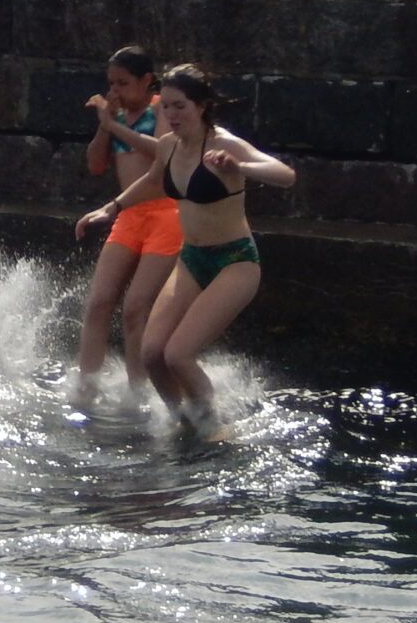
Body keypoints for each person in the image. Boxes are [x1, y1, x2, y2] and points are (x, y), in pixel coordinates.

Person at [76, 65, 295, 442]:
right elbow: (154, 180)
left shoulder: (223, 144)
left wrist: (239, 166)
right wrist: (113, 206)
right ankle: (183, 421)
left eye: (180, 107)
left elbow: (284, 174)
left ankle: (212, 424)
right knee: (151, 354)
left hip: (235, 262)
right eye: (167, 109)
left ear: (202, 106)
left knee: (178, 354)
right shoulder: (169, 146)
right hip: (192, 260)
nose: (172, 116)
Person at [70, 47, 180, 413]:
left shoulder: (162, 108)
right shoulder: (116, 116)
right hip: (129, 215)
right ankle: (86, 385)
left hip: (166, 214)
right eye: (111, 83)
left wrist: (116, 125)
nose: (115, 90)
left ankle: (139, 391)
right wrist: (106, 126)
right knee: (99, 302)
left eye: (124, 82)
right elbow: (96, 164)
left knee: (136, 307)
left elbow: (162, 154)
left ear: (147, 81)